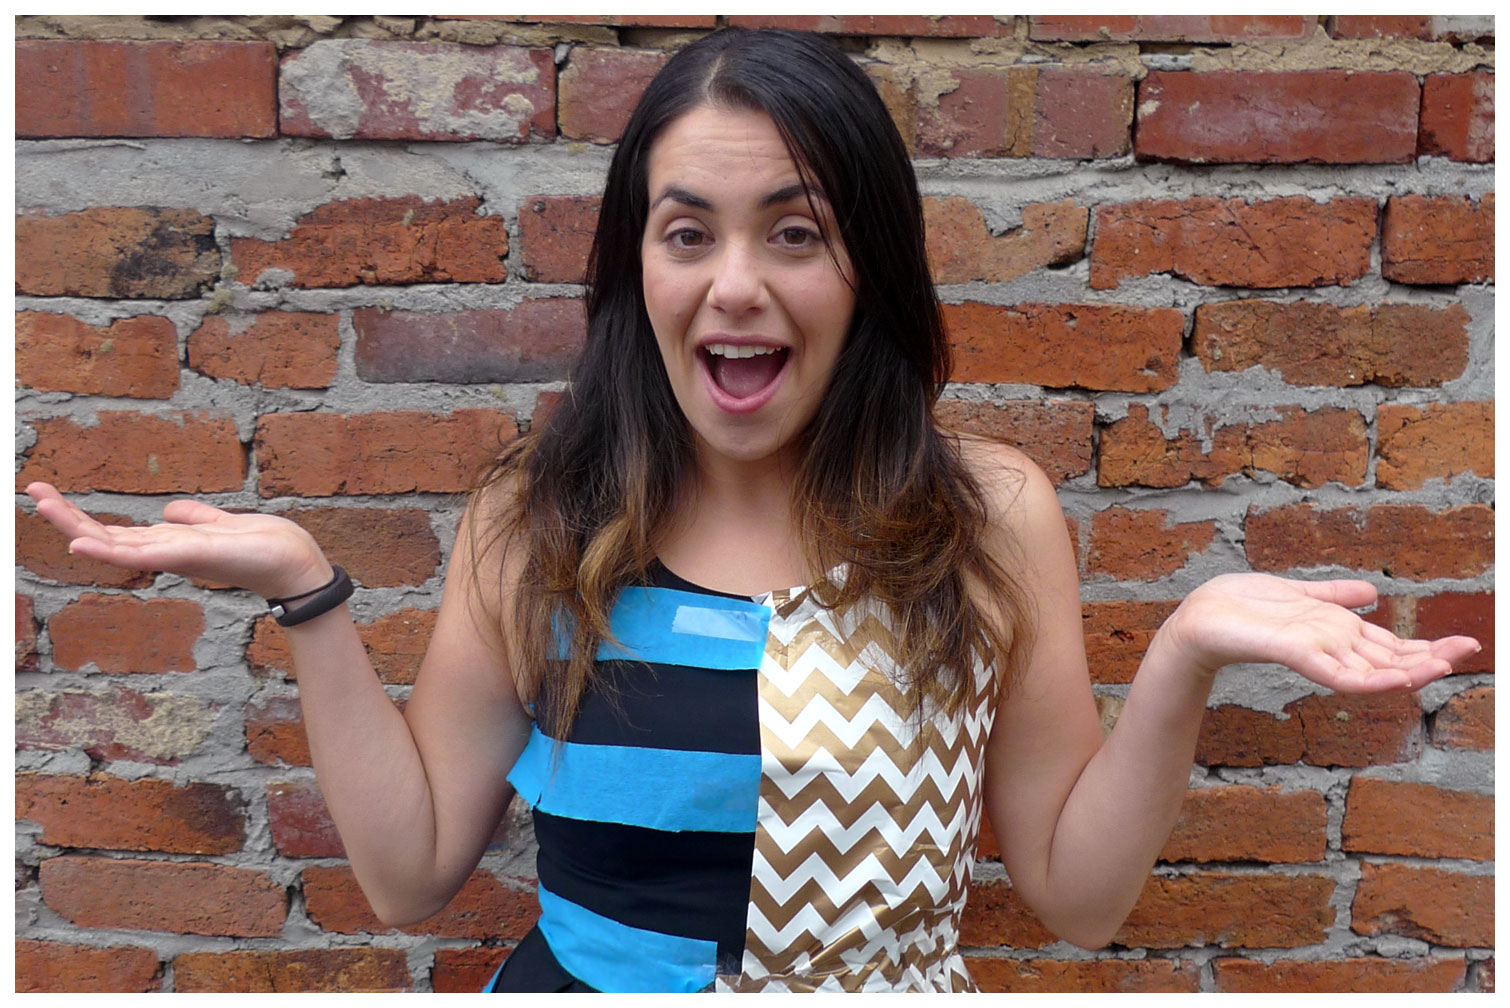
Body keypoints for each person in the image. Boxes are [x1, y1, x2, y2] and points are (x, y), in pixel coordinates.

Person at [25, 27, 1478, 994]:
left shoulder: (988, 515)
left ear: (869, 269)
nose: (735, 285)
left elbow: (1078, 902)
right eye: (688, 233)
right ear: (635, 270)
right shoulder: (535, 521)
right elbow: (408, 880)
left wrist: (1184, 654)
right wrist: (306, 591)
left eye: (795, 232)